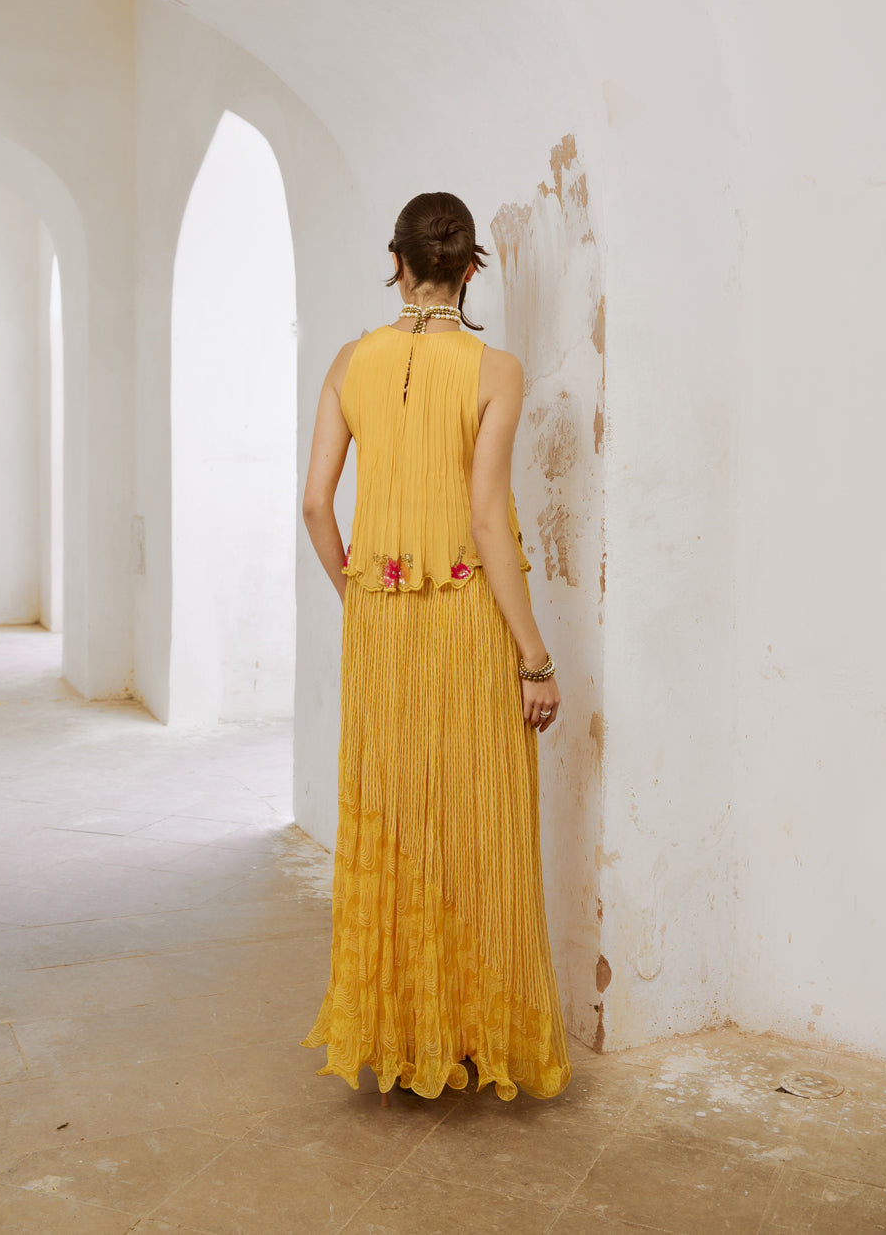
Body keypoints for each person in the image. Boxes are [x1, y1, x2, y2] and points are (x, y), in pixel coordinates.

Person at [299, 191, 571, 1103]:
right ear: (469, 269)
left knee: (392, 814)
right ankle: (464, 1037)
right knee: (475, 819)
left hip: (379, 618)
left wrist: (357, 595)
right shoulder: (494, 368)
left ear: (397, 261)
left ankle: (396, 1030)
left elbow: (313, 507)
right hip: (463, 622)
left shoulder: (349, 361)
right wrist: (533, 656)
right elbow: (488, 520)